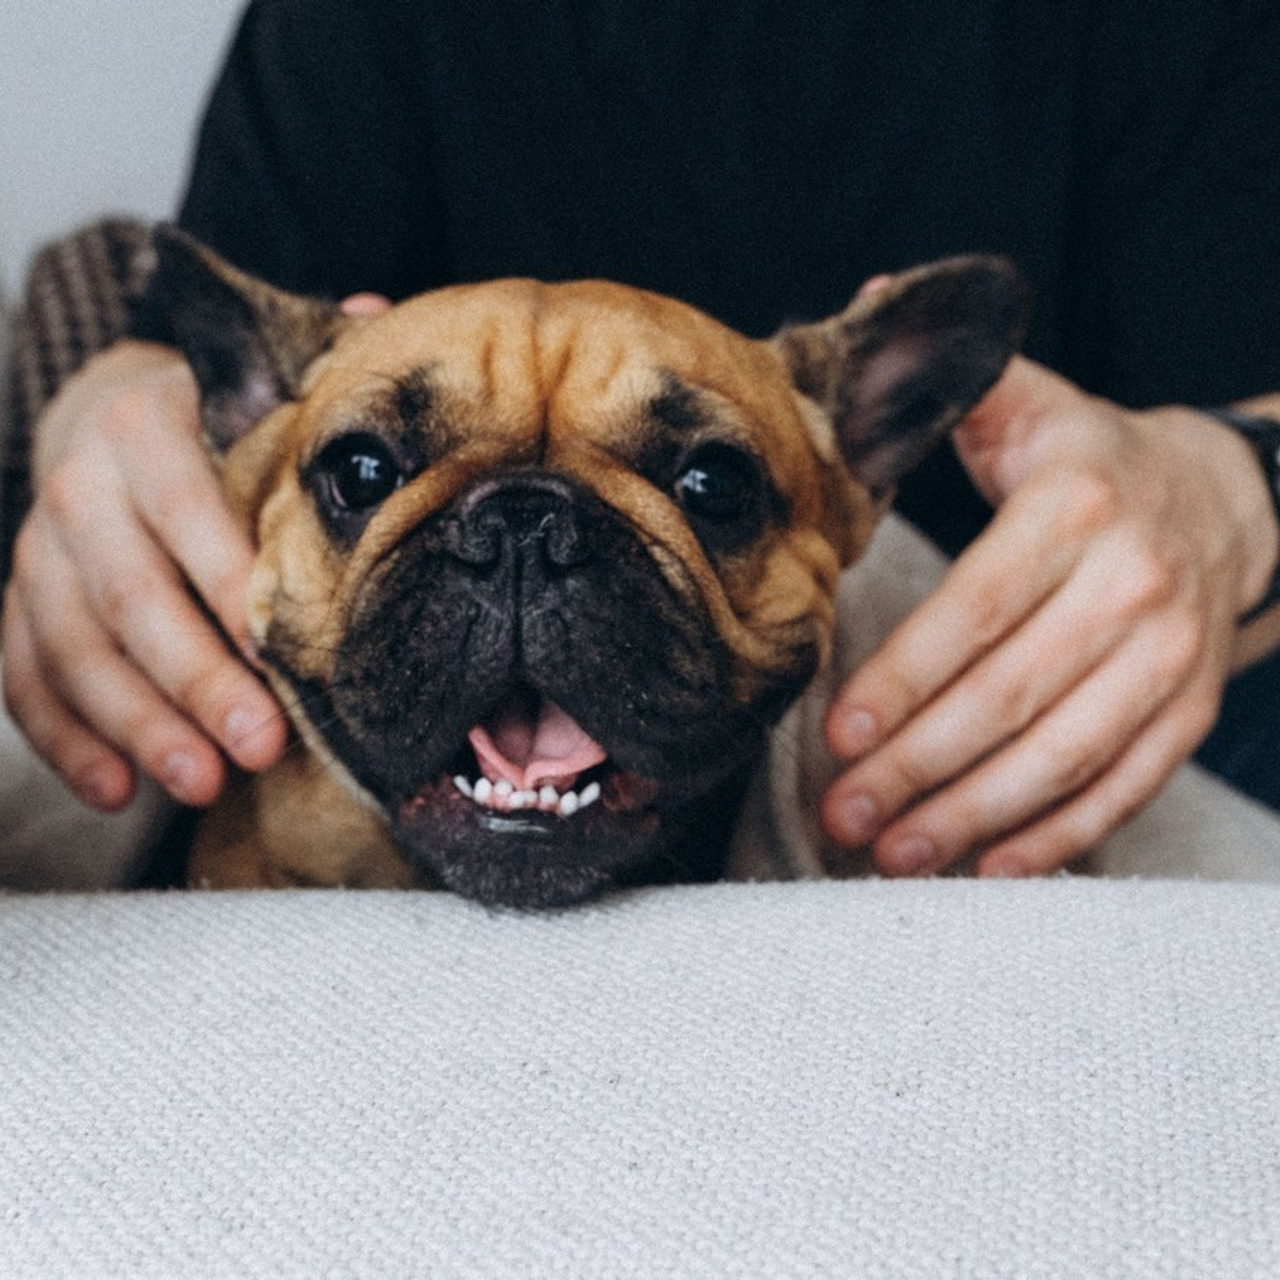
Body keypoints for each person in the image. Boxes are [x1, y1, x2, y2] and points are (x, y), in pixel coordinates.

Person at [4, 0, 1280, 879]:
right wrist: (98, 398)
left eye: (705, 478)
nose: (524, 549)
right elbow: (191, 358)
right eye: (372, 472)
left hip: (1062, 673)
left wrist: (1239, 490)